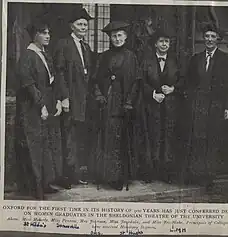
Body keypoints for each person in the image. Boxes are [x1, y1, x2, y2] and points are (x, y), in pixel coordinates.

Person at [184, 23, 228, 190]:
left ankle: (208, 175)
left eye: (213, 37)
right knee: (198, 139)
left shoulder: (225, 59)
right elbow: (189, 83)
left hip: (216, 106)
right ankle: (196, 173)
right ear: (203, 38)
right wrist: (190, 100)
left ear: (218, 39)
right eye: (207, 36)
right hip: (198, 105)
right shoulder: (196, 58)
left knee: (211, 140)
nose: (209, 40)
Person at [15, 18, 63, 200]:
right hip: (31, 109)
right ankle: (36, 188)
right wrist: (41, 106)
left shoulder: (44, 54)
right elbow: (29, 85)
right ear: (34, 35)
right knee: (33, 147)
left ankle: (45, 183)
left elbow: (53, 81)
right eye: (43, 33)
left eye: (48, 32)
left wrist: (57, 100)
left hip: (45, 105)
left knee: (46, 146)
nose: (47, 36)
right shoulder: (28, 56)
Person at [93, 21, 141, 191]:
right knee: (109, 140)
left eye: (120, 35)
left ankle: (122, 176)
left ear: (126, 37)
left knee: (123, 140)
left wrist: (129, 102)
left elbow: (136, 82)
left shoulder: (131, 57)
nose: (117, 38)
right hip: (108, 103)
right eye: (114, 36)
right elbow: (95, 80)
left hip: (125, 104)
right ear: (109, 38)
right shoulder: (103, 57)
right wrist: (99, 95)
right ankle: (110, 176)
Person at [53, 8, 95, 189]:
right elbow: (59, 73)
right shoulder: (63, 44)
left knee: (79, 138)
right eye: (80, 24)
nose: (83, 27)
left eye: (85, 24)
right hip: (70, 99)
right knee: (68, 137)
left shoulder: (86, 47)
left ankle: (77, 173)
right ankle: (66, 176)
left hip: (84, 100)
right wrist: (64, 97)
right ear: (72, 26)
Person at [140, 28, 183, 183]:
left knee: (168, 137)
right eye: (161, 41)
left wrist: (173, 88)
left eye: (167, 41)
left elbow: (183, 80)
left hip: (171, 107)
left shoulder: (175, 61)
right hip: (152, 106)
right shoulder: (147, 61)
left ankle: (167, 172)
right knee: (153, 136)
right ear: (155, 44)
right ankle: (150, 172)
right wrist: (152, 93)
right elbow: (141, 81)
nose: (164, 44)